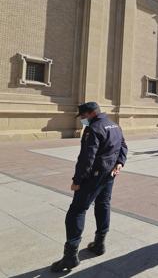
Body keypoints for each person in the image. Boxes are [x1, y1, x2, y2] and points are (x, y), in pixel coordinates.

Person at [51, 102, 128, 272]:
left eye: (83, 117)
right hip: (109, 174)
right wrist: (120, 163)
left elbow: (87, 158)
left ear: (91, 113)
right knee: (103, 204)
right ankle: (99, 244)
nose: (82, 120)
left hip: (93, 177)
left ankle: (70, 256)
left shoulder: (93, 128)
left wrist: (77, 180)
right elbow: (123, 146)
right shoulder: (115, 125)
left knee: (76, 211)